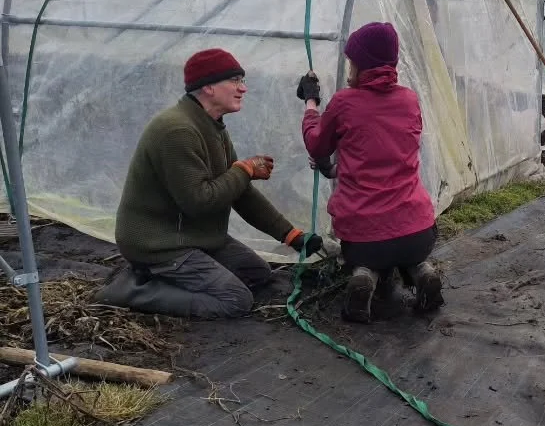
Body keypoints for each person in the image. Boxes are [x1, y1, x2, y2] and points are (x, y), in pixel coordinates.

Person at [94, 48, 323, 319]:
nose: (244, 88)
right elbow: (199, 202)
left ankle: (169, 278)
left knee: (259, 274)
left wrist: (290, 235)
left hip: (193, 235)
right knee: (235, 300)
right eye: (235, 81)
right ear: (209, 87)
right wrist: (243, 170)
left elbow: (240, 193)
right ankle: (130, 289)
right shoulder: (178, 131)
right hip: (160, 243)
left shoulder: (211, 126)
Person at [296, 21, 442, 322]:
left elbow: (316, 144)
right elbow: (381, 156)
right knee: (406, 249)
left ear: (360, 64)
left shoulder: (345, 103)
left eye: (352, 61)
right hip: (418, 232)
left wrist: (311, 103)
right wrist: (338, 167)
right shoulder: (409, 100)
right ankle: (421, 271)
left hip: (365, 240)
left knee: (369, 253)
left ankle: (365, 277)